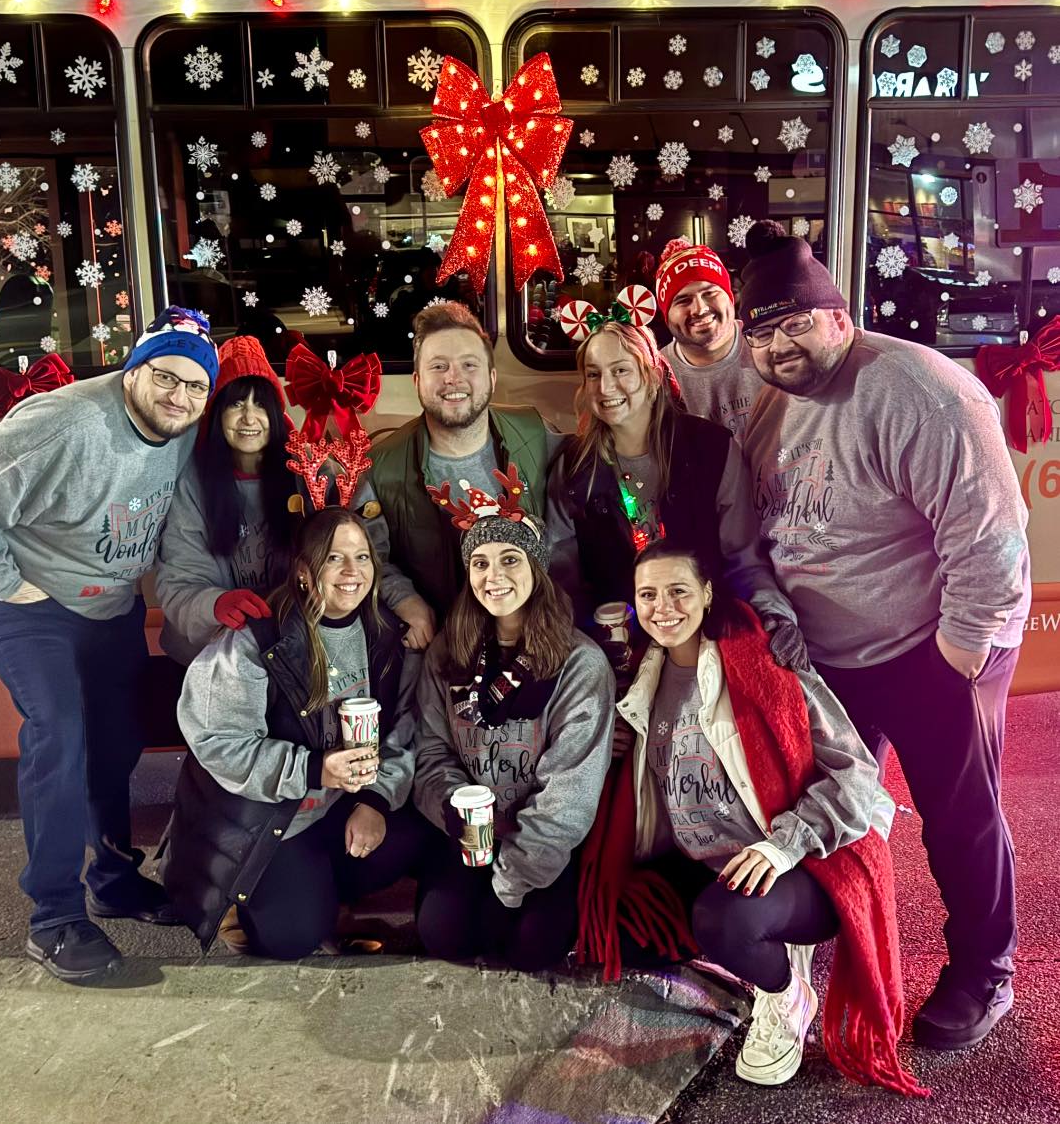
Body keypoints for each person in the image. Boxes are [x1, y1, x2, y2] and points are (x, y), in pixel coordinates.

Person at [737, 219, 1031, 1051]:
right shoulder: (772, 403)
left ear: (839, 315)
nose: (778, 344)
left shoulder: (918, 390)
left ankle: (984, 970)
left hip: (934, 642)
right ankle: (835, 952)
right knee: (833, 808)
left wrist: (959, 658)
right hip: (829, 658)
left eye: (794, 322)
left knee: (958, 814)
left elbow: (992, 539)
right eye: (760, 332)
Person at [0, 306, 220, 982]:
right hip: (28, 604)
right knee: (59, 735)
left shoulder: (182, 428)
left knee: (116, 740)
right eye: (164, 377)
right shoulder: (68, 422)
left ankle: (112, 878)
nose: (178, 396)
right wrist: (2, 579)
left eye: (194, 386)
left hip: (107, 608)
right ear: (133, 370)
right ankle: (53, 920)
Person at [577, 541, 924, 1095]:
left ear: (708, 593)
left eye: (678, 591)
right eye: (648, 595)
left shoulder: (765, 663)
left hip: (795, 863)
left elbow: (857, 773)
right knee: (620, 929)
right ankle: (756, 935)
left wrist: (781, 847)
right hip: (703, 859)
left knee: (722, 924)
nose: (663, 607)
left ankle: (786, 993)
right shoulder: (639, 682)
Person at [161, 507, 428, 958]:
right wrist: (312, 769)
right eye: (334, 559)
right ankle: (245, 899)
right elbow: (217, 741)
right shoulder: (257, 638)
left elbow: (405, 728)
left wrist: (375, 800)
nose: (351, 572)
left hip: (339, 807)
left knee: (421, 838)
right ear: (304, 571)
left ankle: (322, 891)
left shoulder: (385, 634)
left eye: (362, 558)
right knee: (291, 938)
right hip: (271, 818)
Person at [412, 488, 615, 972]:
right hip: (470, 836)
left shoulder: (579, 663)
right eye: (479, 563)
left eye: (509, 559)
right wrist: (462, 815)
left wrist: (508, 887)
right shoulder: (447, 651)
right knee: (445, 936)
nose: (493, 576)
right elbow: (431, 752)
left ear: (536, 570)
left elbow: (569, 794)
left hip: (542, 839)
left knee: (531, 949)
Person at [545, 320, 807, 671]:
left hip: (706, 638)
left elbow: (744, 562)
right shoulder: (574, 467)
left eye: (621, 370)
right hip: (617, 651)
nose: (606, 387)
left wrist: (775, 616)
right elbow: (563, 580)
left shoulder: (711, 450)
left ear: (652, 377)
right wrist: (583, 642)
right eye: (593, 374)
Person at [362, 300, 559, 650]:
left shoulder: (536, 434)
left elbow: (567, 535)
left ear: (492, 378)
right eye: (439, 366)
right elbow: (371, 556)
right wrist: (407, 602)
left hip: (535, 634)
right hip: (440, 641)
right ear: (417, 381)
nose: (454, 378)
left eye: (469, 365)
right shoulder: (379, 466)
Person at [155, 335, 298, 666]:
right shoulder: (190, 482)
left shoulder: (306, 472)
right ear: (217, 412)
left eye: (260, 404)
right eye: (236, 404)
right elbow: (179, 580)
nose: (249, 418)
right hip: (209, 654)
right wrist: (216, 604)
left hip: (292, 646)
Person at [655, 237, 764, 440]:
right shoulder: (656, 374)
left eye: (710, 293)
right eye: (683, 300)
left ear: (730, 297)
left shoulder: (769, 345)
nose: (700, 309)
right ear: (667, 315)